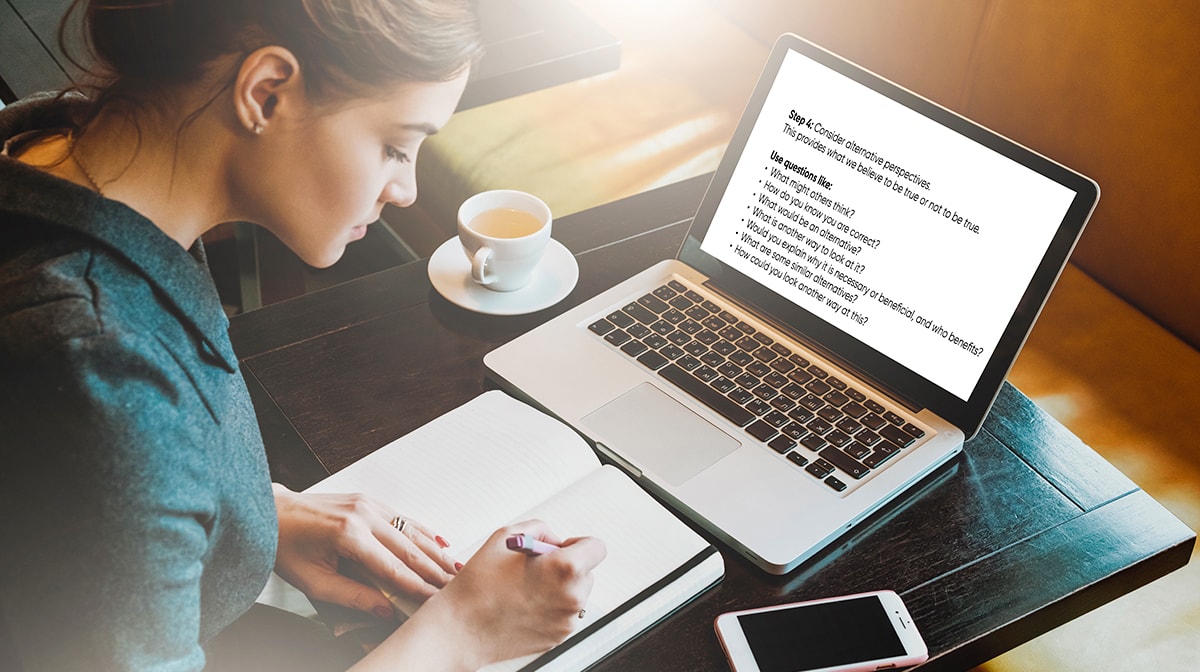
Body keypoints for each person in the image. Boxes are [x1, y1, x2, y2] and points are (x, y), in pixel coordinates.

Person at [0, 1, 606, 670]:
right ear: (267, 92)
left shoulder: (49, 145)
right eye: (395, 146)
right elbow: (108, 434)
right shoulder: (98, 376)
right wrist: (462, 634)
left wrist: (237, 516)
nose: (404, 188)